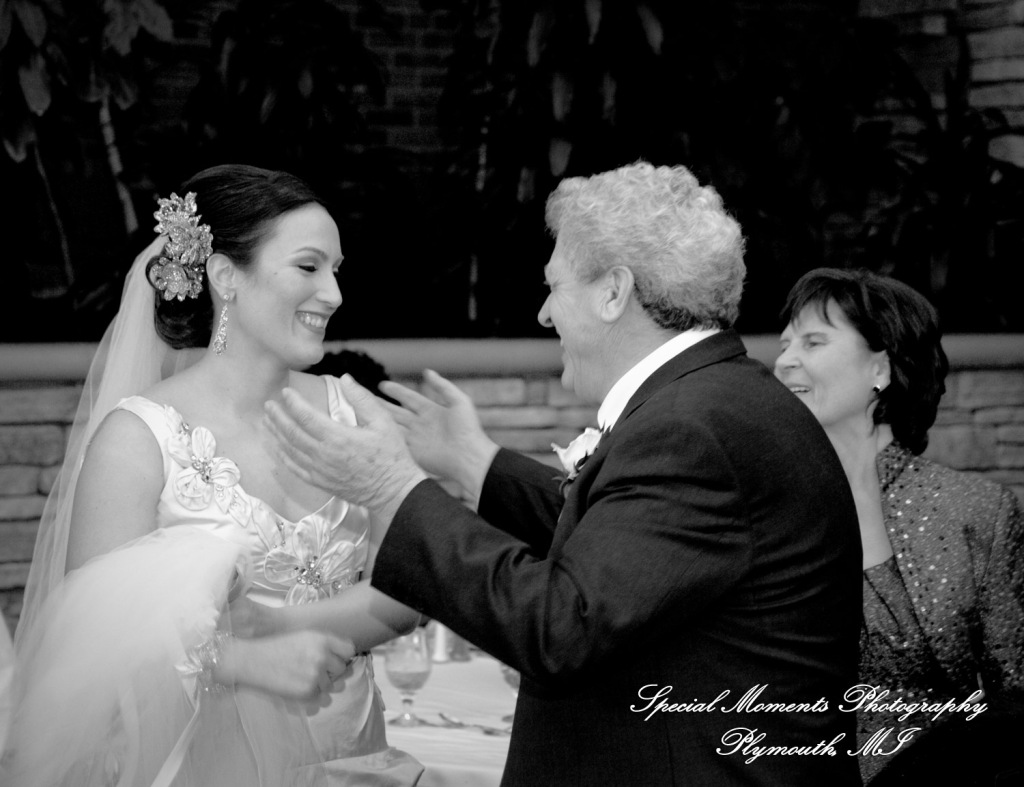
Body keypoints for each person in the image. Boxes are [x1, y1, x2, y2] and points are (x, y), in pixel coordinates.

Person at [260, 162, 864, 785]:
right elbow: (627, 558)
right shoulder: (717, 397)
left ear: (613, 292)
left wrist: (392, 488)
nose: (545, 314)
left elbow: (561, 626)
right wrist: (478, 463)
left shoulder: (692, 429)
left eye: (554, 286)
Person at [2, 164, 423, 786]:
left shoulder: (353, 413)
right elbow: (96, 645)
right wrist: (242, 658)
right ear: (226, 276)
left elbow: (408, 595)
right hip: (213, 765)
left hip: (356, 753)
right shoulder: (139, 439)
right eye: (309, 268)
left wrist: (285, 626)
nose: (333, 293)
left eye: (336, 270)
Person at [775, 268, 1024, 784]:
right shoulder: (758, 501)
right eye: (784, 343)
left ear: (880, 369)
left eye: (813, 341)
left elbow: (1014, 697)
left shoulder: (976, 511)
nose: (784, 361)